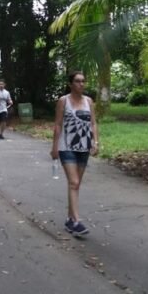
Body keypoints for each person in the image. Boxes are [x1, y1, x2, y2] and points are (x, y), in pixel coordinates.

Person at [51, 71, 100, 236]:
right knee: (73, 182)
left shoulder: (89, 102)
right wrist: (54, 147)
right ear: (71, 84)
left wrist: (96, 142)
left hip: (84, 147)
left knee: (76, 184)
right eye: (78, 81)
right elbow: (57, 125)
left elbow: (93, 123)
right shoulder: (63, 101)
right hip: (67, 147)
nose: (81, 84)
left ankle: (69, 219)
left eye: (83, 81)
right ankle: (77, 221)